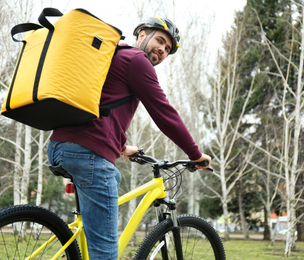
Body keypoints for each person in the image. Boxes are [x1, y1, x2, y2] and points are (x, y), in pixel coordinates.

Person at [47, 16, 211, 260]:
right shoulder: (137, 60)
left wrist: (122, 147)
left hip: (61, 145)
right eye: (160, 40)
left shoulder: (114, 56)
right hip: (88, 153)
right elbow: (164, 114)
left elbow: (101, 107)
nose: (162, 50)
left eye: (167, 49)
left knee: (113, 176)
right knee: (106, 253)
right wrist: (195, 154)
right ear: (141, 35)